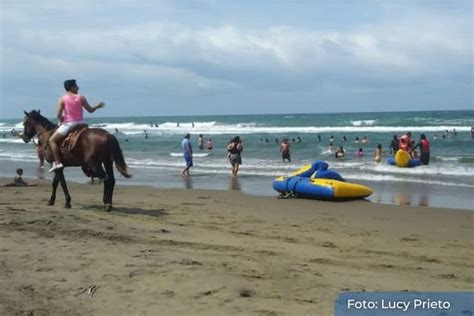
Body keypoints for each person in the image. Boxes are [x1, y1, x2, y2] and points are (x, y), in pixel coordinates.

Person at [48, 79, 104, 173]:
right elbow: (90, 110)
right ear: (71, 87)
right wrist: (97, 106)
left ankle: (58, 162)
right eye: (76, 86)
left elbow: (58, 114)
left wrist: (62, 120)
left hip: (69, 124)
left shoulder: (62, 99)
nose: (78, 87)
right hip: (81, 123)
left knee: (52, 140)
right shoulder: (81, 97)